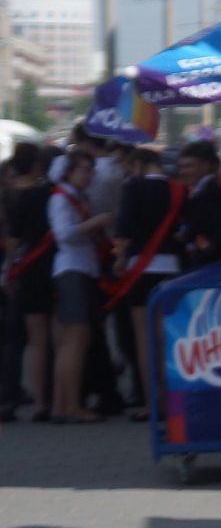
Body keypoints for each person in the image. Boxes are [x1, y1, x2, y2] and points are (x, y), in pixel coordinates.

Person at [111, 146, 188, 423]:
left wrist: (119, 259)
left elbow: (123, 230)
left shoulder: (133, 187)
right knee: (168, 335)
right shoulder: (178, 189)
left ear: (140, 165)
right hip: (172, 268)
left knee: (144, 339)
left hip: (140, 268)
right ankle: (174, 398)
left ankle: (151, 401)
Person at [47, 147, 113, 423]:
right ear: (69, 171)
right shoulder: (63, 197)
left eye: (90, 170)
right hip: (73, 269)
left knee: (70, 341)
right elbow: (64, 234)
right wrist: (95, 222)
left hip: (79, 269)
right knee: (75, 340)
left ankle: (61, 405)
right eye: (83, 170)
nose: (88, 175)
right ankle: (71, 406)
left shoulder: (74, 196)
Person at [1, 145, 55, 422]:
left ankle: (17, 399)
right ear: (36, 165)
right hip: (52, 267)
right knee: (49, 338)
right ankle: (46, 401)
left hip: (25, 271)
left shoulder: (8, 195)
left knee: (20, 340)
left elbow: (12, 240)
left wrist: (10, 271)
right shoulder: (48, 192)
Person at [174, 140, 221, 270]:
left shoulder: (212, 194)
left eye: (189, 166)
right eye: (181, 167)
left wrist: (202, 257)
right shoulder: (204, 190)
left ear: (205, 166)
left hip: (214, 266)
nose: (183, 171)